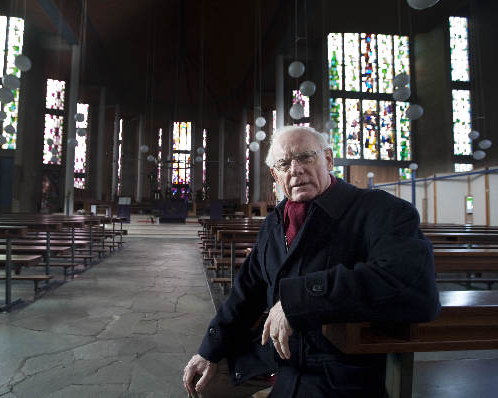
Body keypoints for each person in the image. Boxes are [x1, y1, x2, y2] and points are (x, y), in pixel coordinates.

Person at [183, 126, 441, 397]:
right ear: (276, 174)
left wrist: (298, 301)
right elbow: (245, 294)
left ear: (328, 160)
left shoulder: (379, 210)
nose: (295, 170)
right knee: (203, 384)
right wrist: (209, 348)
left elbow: (414, 288)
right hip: (275, 360)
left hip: (337, 372)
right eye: (284, 163)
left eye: (306, 157)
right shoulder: (274, 223)